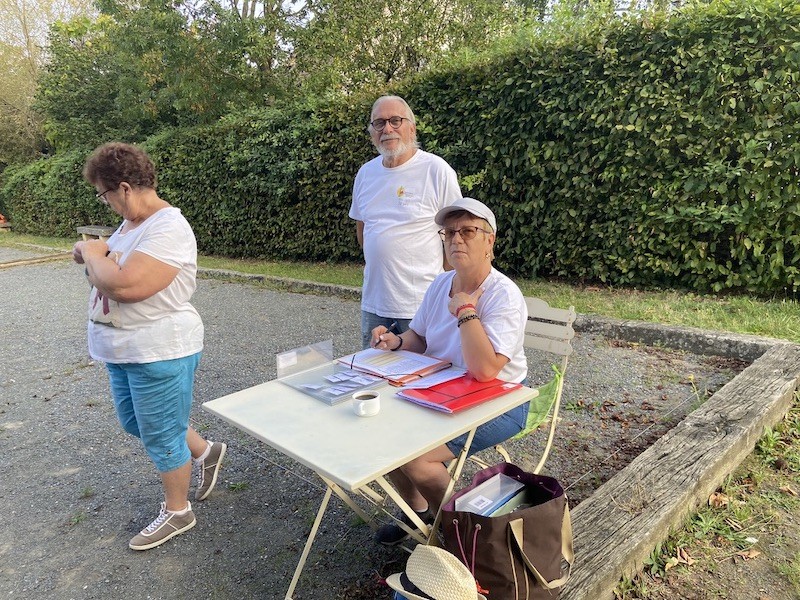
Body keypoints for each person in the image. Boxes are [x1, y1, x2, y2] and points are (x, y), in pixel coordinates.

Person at [72, 142, 226, 551]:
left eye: (103, 194)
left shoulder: (167, 227)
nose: (104, 203)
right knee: (135, 423)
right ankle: (206, 451)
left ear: (123, 187)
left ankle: (178, 512)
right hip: (123, 349)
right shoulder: (130, 225)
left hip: (158, 349)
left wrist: (92, 252)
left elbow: (126, 284)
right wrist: (94, 257)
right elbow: (107, 269)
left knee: (160, 434)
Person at [370, 197, 528, 545]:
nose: (456, 239)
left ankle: (462, 537)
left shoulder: (505, 295)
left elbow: (486, 370)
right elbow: (420, 336)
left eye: (468, 231)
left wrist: (467, 311)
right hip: (446, 389)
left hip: (500, 399)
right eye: (449, 232)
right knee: (384, 434)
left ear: (490, 241)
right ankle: (419, 513)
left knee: (418, 459)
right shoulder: (441, 284)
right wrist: (395, 342)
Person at [350, 95, 462, 349]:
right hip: (375, 302)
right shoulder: (366, 174)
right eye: (378, 123)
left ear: (411, 127)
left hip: (420, 304)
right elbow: (363, 229)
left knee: (421, 378)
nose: (387, 129)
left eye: (395, 120)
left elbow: (455, 231)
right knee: (374, 374)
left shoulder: (436, 170)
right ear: (371, 132)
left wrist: (442, 280)